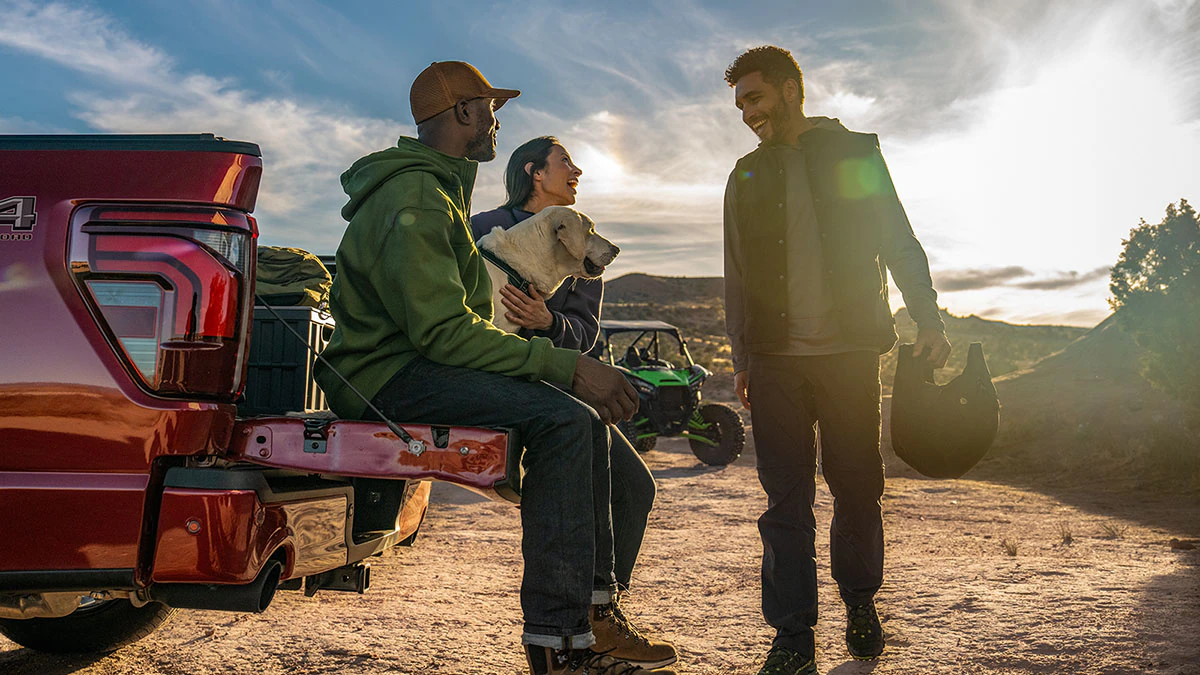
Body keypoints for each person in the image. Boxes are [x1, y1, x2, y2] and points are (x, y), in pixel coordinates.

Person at [314, 61, 676, 675]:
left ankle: (588, 616)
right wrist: (564, 367)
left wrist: (559, 362)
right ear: (462, 113)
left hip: (419, 362)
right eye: (490, 110)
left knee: (581, 422)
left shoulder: (440, 193)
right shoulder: (417, 197)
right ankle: (560, 647)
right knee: (563, 419)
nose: (495, 124)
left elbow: (460, 328)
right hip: (388, 376)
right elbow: (442, 332)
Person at [721, 46, 951, 675]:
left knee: (857, 488)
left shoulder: (854, 154)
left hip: (851, 355)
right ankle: (793, 635)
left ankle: (859, 604)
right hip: (773, 363)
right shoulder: (746, 174)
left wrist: (927, 319)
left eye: (756, 97)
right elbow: (736, 275)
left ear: (792, 90)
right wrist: (743, 356)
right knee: (784, 501)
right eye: (740, 103)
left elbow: (897, 240)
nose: (747, 113)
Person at [471, 138, 675, 669]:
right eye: (566, 162)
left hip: (562, 379)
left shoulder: (582, 243)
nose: (577, 170)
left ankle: (599, 615)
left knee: (634, 488)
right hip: (495, 378)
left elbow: (583, 333)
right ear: (535, 172)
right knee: (581, 467)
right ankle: (573, 627)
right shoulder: (482, 228)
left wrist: (548, 322)